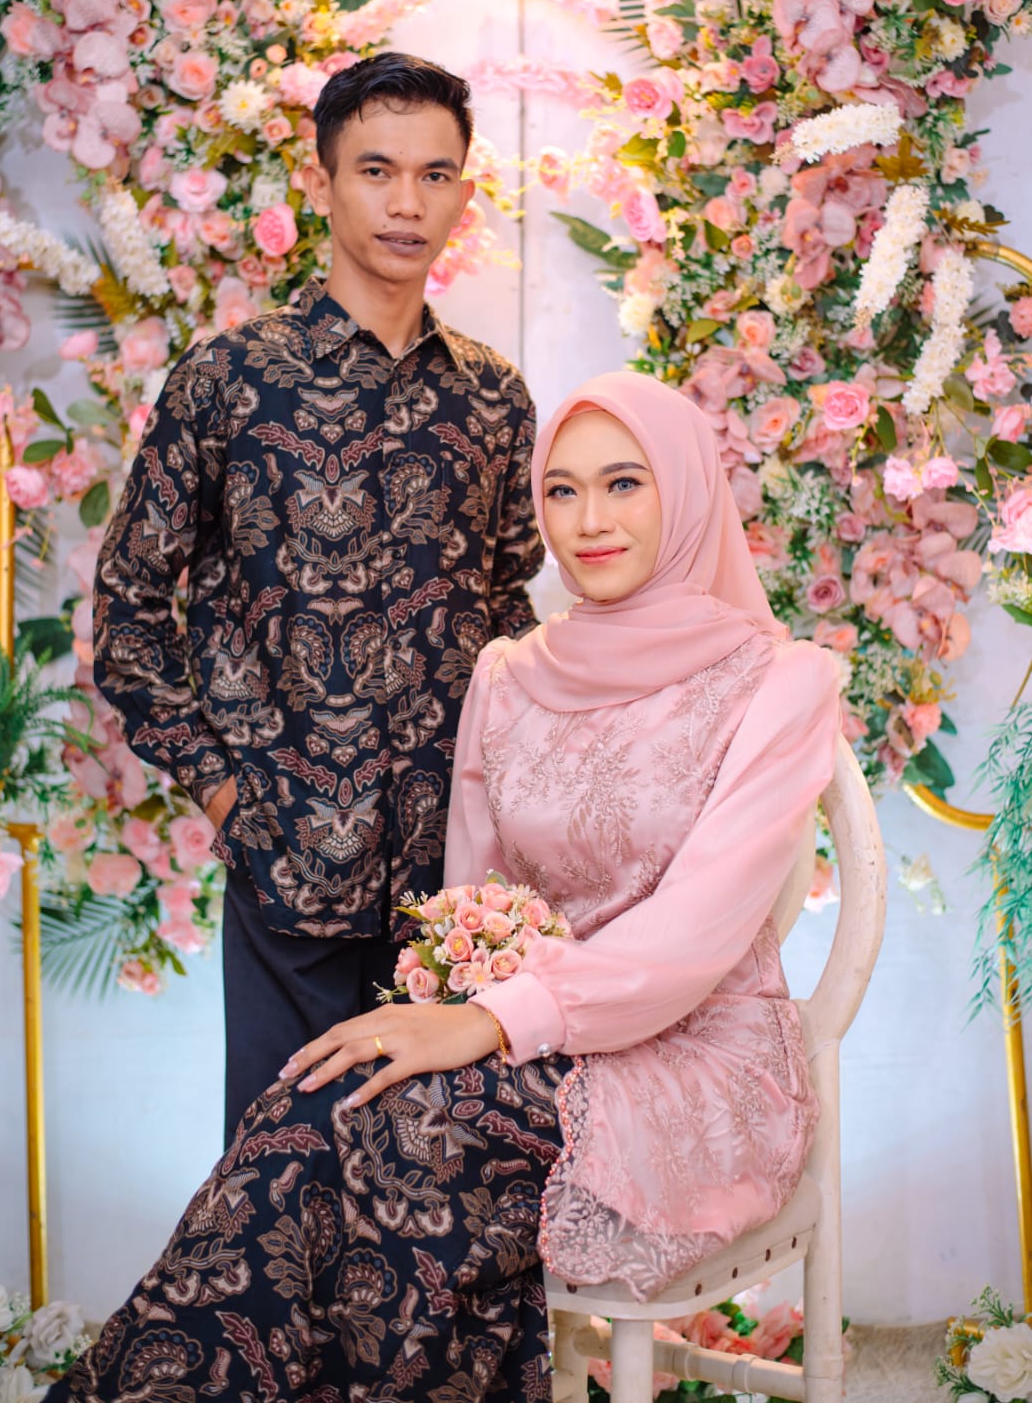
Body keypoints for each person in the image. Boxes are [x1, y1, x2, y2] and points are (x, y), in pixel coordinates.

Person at [56, 372, 839, 1403]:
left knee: (390, 1140)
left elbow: (692, 937)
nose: (589, 522)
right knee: (312, 1111)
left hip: (688, 1061)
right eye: (560, 490)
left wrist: (482, 1025)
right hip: (525, 1048)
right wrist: (452, 1010)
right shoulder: (511, 675)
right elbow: (473, 897)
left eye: (623, 483)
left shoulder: (779, 681)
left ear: (686, 491)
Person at [92, 53, 543, 1141]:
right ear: (323, 181)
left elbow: (509, 614)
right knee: (278, 1187)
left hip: (453, 898)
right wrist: (225, 795)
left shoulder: (493, 398)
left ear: (464, 191)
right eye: (376, 171)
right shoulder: (228, 381)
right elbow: (127, 611)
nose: (406, 203)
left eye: (435, 175)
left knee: (438, 1190)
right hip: (285, 870)